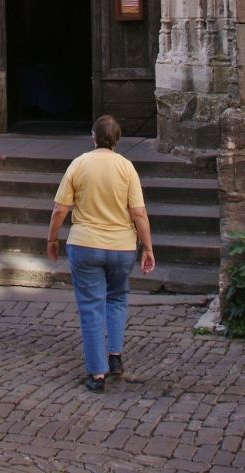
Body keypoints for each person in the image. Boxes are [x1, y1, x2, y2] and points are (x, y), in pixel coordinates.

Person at [47, 114, 155, 392]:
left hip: (85, 244)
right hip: (122, 246)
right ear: (117, 141)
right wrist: (148, 247)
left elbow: (60, 209)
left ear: (94, 138)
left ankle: (97, 374)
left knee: (91, 307)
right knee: (117, 297)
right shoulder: (127, 168)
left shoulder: (79, 164)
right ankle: (115, 357)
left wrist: (52, 238)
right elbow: (139, 212)